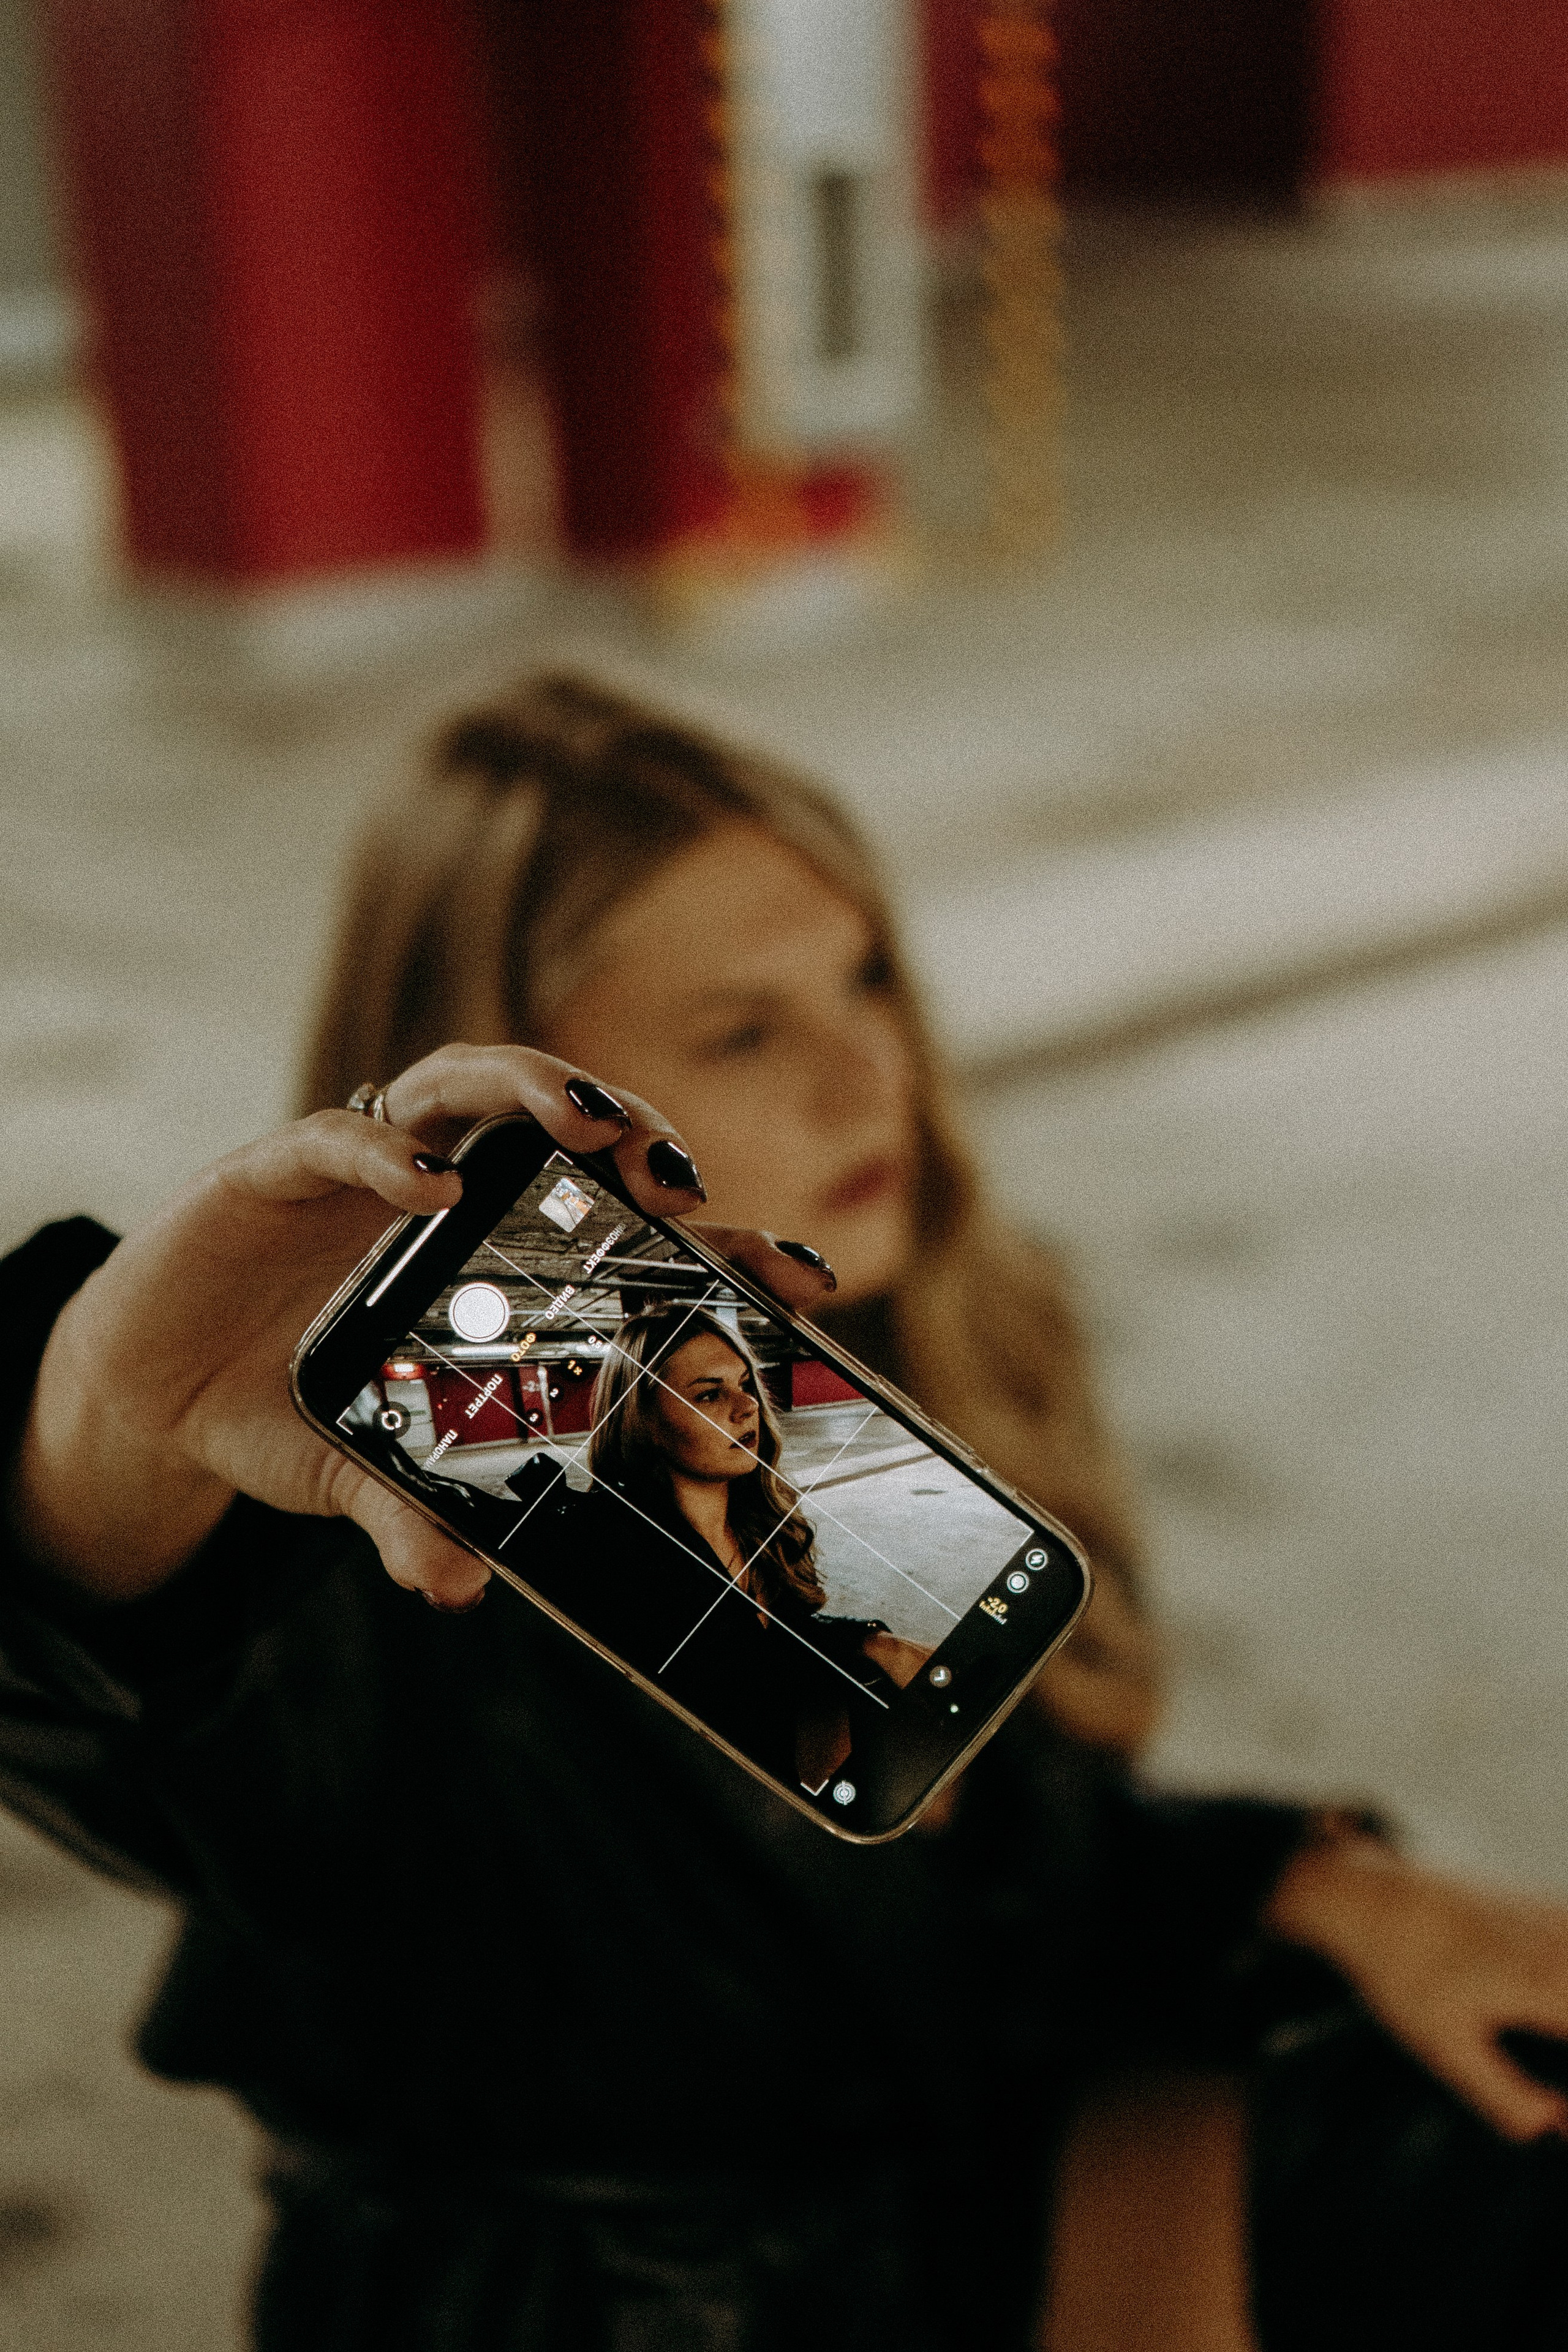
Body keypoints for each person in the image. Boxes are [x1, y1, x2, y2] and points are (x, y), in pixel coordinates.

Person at [3, 676, 1568, 2350]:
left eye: (866, 976)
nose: (865, 1074)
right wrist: (96, 1437)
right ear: (531, 1099)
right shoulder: (368, 1546)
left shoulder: (917, 1347)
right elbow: (130, 1683)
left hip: (975, 2193)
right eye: (742, 1031)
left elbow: (995, 1850)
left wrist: (1317, 1883)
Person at [502, 1303, 921, 1787]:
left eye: (745, 1384)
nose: (746, 1407)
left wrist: (873, 1642)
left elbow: (769, 1641)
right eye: (709, 1394)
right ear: (643, 1419)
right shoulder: (607, 1550)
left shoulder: (760, 1523)